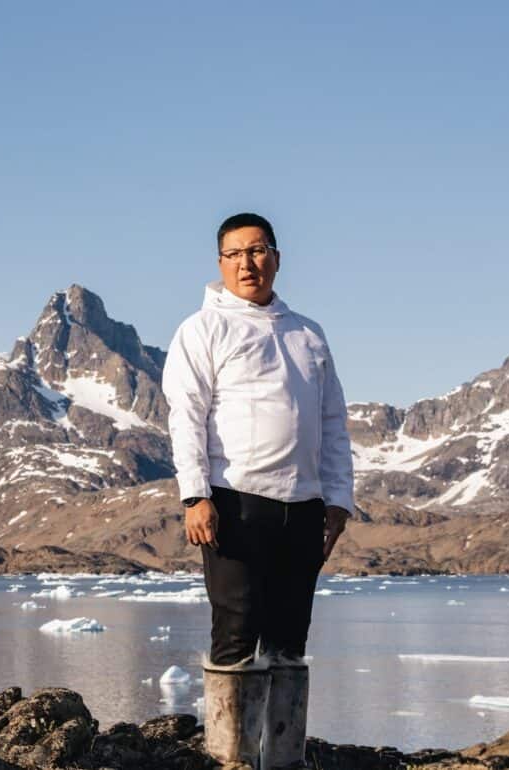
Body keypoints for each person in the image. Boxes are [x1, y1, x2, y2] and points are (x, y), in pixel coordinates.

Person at [161, 213, 353, 769]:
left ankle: (283, 760)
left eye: (258, 250)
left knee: (290, 639)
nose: (248, 263)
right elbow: (186, 417)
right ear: (220, 263)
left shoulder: (307, 333)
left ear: (277, 256)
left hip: (304, 505)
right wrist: (195, 495)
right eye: (235, 253)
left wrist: (337, 500)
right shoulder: (202, 329)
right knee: (237, 634)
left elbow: (332, 422)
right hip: (235, 504)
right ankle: (231, 760)